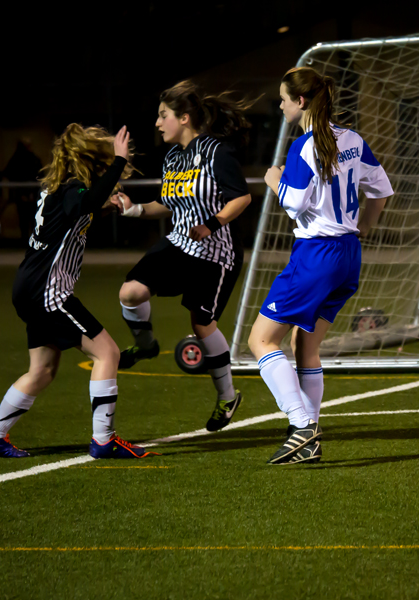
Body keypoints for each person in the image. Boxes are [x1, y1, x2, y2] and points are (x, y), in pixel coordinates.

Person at [0, 124, 155, 459]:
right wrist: (118, 161)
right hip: (48, 291)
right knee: (108, 353)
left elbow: (77, 214)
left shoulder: (60, 189)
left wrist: (107, 206)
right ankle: (104, 440)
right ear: (91, 160)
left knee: (41, 371)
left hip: (28, 286)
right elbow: (82, 206)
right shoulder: (73, 189)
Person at [248, 66, 393, 465]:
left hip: (317, 256)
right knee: (305, 344)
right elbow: (381, 189)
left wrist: (273, 179)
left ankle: (301, 425)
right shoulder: (352, 139)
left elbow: (294, 205)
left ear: (301, 102)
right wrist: (363, 225)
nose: (279, 105)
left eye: (282, 98)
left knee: (261, 340)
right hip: (348, 255)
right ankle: (308, 435)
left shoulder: (304, 148)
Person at [112, 80, 252, 432]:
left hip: (215, 253)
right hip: (179, 244)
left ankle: (227, 397)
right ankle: (145, 346)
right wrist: (135, 209)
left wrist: (212, 223)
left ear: (184, 118)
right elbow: (167, 203)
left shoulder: (216, 152)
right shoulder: (173, 157)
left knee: (201, 325)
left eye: (163, 116)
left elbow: (241, 198)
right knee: (130, 293)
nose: (157, 124)